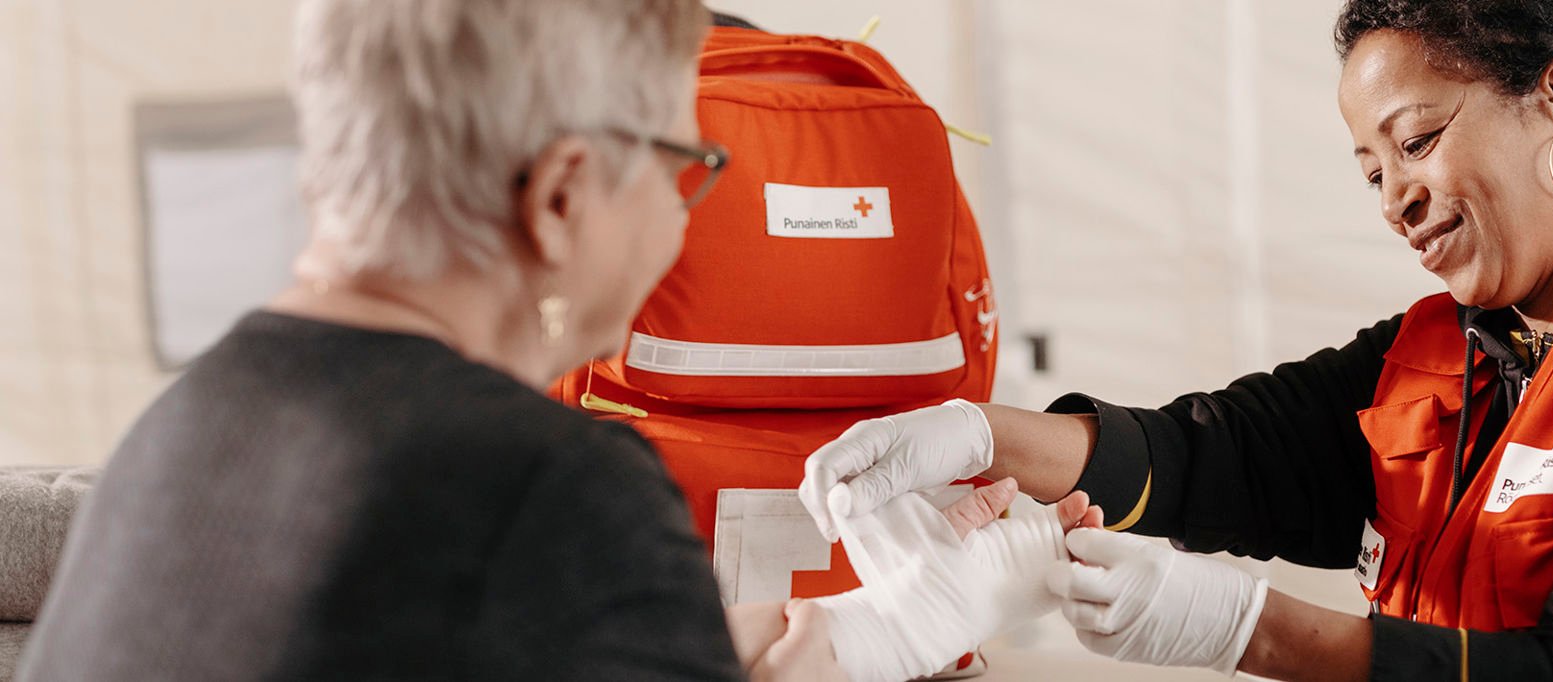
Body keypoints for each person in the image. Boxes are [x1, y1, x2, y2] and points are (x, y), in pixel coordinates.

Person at [799, 1, 1553, 680]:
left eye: (1418, 141)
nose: (1396, 199)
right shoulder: (1446, 353)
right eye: (1372, 171)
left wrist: (1245, 629)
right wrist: (978, 436)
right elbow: (1218, 450)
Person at [16, 1, 1091, 680]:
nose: (683, 217)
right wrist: (878, 652)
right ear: (564, 195)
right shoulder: (546, 487)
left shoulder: (189, 430)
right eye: (690, 170)